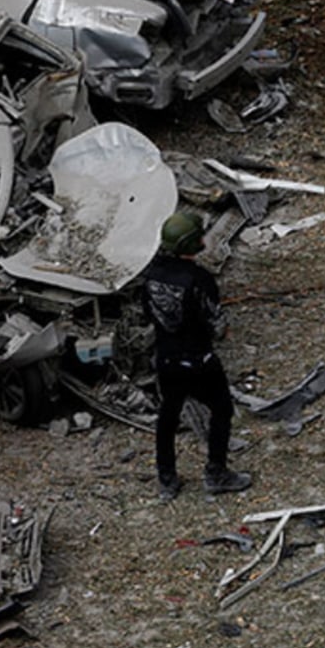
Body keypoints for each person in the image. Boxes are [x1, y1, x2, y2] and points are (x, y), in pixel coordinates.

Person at [141, 210, 251, 499]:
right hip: (199, 360)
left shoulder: (150, 275)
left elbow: (147, 315)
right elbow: (217, 324)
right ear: (192, 244)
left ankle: (167, 479)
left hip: (166, 359)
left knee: (167, 416)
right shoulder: (199, 279)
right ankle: (216, 472)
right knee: (222, 409)